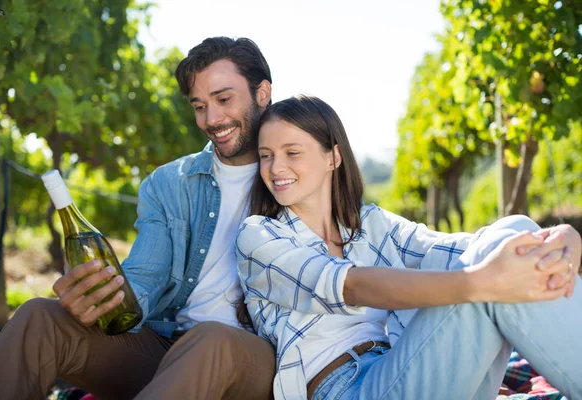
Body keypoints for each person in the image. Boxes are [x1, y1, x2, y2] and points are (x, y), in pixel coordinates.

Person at [0, 37, 276, 400]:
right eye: (199, 106)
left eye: (224, 99)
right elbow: (145, 276)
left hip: (255, 362)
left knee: (211, 339)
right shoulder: (170, 183)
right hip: (169, 349)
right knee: (39, 318)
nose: (211, 119)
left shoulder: (296, 175)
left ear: (262, 93)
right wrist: (109, 297)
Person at [235, 94, 582, 400]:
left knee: (513, 230)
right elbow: (350, 286)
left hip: (397, 366)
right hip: (344, 388)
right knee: (494, 264)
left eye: (291, 152)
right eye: (266, 156)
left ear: (333, 157)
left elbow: (464, 247)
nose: (276, 167)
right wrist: (482, 281)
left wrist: (562, 237)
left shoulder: (368, 224)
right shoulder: (260, 236)